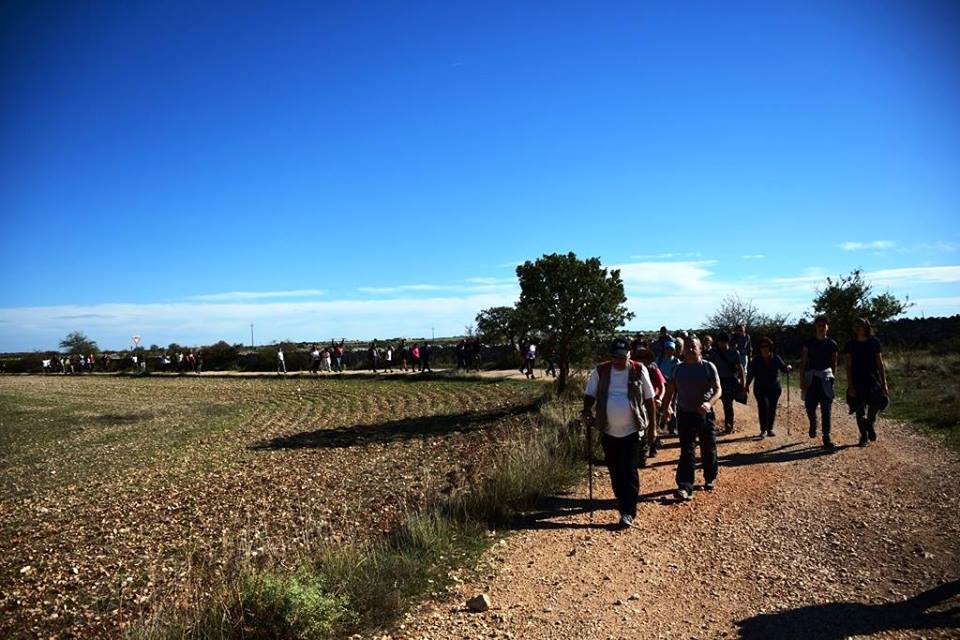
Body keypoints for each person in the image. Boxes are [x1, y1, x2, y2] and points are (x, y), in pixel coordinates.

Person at [581, 337, 657, 528]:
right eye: (616, 357)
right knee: (615, 471)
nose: (619, 361)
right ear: (611, 356)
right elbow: (590, 394)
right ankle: (622, 500)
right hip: (608, 430)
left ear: (629, 355)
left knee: (629, 470)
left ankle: (628, 511)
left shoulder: (639, 370)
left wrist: (653, 428)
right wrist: (587, 411)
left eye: (623, 357)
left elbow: (649, 399)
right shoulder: (600, 371)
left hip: (632, 430)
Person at [662, 336, 722, 501]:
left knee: (708, 447)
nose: (689, 349)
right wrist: (666, 408)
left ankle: (710, 477)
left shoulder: (708, 367)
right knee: (687, 450)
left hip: (705, 414)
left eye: (693, 347)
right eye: (686, 347)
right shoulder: (678, 369)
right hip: (684, 413)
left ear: (700, 348)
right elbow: (670, 390)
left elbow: (718, 390)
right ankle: (685, 486)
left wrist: (709, 404)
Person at [844, 318, 889, 447]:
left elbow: (880, 364)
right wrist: (850, 385)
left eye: (860, 326)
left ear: (866, 327)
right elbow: (848, 366)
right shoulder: (850, 345)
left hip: (872, 380)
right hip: (857, 381)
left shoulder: (874, 343)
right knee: (859, 409)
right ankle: (863, 436)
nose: (858, 328)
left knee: (875, 405)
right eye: (855, 326)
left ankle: (869, 424)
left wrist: (884, 382)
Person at [800, 316, 839, 449]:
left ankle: (826, 437)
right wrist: (801, 380)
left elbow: (834, 363)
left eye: (824, 325)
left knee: (826, 410)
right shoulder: (808, 343)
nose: (821, 327)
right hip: (811, 378)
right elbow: (803, 362)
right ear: (815, 327)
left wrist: (832, 378)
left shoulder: (832, 344)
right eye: (819, 325)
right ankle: (813, 423)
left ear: (827, 327)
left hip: (826, 378)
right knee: (810, 406)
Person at [745, 337, 791, 437]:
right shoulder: (756, 360)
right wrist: (747, 385)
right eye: (762, 346)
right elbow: (751, 374)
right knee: (763, 407)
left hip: (774, 388)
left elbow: (784, 369)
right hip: (760, 388)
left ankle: (770, 428)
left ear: (770, 347)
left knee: (772, 408)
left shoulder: (776, 358)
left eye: (766, 346)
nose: (764, 348)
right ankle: (763, 430)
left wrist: (788, 368)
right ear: (759, 348)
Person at [707, 332, 744, 434]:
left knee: (728, 404)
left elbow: (740, 369)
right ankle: (710, 424)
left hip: (729, 381)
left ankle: (729, 425)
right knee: (711, 402)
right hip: (717, 380)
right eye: (719, 342)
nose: (721, 344)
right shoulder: (714, 353)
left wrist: (742, 385)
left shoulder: (734, 353)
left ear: (727, 342)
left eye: (723, 342)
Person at [635, 347, 665, 457]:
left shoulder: (653, 370)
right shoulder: (632, 370)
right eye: (639, 357)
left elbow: (662, 386)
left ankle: (653, 446)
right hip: (638, 401)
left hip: (653, 400)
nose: (641, 360)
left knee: (653, 423)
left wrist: (659, 398)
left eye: (644, 358)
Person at [656, 341, 681, 434]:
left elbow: (678, 374)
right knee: (659, 406)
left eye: (671, 349)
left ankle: (672, 428)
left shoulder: (676, 361)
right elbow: (655, 371)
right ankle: (658, 426)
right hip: (661, 385)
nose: (669, 351)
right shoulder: (659, 360)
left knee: (672, 406)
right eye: (667, 349)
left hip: (673, 385)